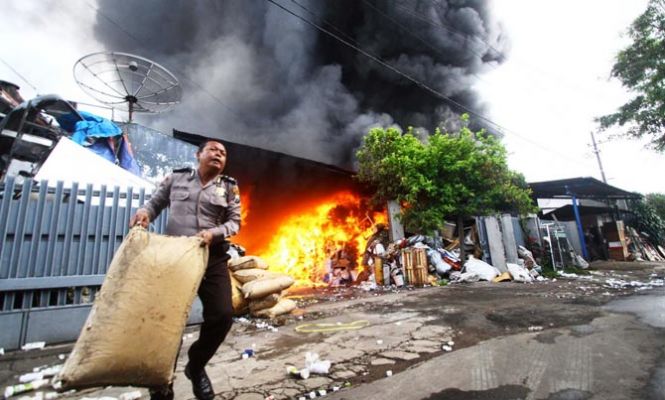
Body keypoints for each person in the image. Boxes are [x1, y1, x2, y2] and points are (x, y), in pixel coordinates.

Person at [129, 140, 241, 400]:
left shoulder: (230, 187)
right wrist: (144, 213)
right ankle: (161, 382)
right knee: (167, 323)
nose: (218, 155)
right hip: (176, 255)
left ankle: (196, 365)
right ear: (198, 154)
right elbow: (154, 204)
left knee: (223, 315)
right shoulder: (176, 179)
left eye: (223, 153)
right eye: (213, 150)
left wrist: (213, 233)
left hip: (211, 257)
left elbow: (235, 222)